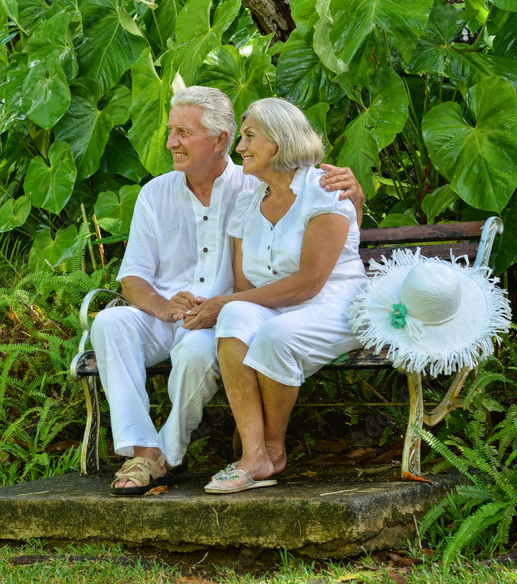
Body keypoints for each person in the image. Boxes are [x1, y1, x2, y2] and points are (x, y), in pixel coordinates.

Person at [92, 87, 362, 495]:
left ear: (220, 140)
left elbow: (325, 236)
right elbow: (134, 277)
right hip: (183, 313)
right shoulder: (167, 193)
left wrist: (354, 191)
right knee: (111, 322)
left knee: (204, 348)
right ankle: (145, 451)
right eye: (170, 131)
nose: (170, 143)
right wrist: (166, 307)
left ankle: (171, 455)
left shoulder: (251, 183)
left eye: (183, 132)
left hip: (224, 319)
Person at [181, 97, 368, 494]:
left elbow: (310, 283)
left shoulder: (323, 190)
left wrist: (221, 303)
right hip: (280, 308)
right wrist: (225, 306)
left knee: (272, 335)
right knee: (235, 318)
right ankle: (253, 456)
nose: (240, 147)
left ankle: (272, 449)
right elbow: (245, 289)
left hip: (334, 305)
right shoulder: (247, 204)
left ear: (281, 141)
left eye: (250, 136)